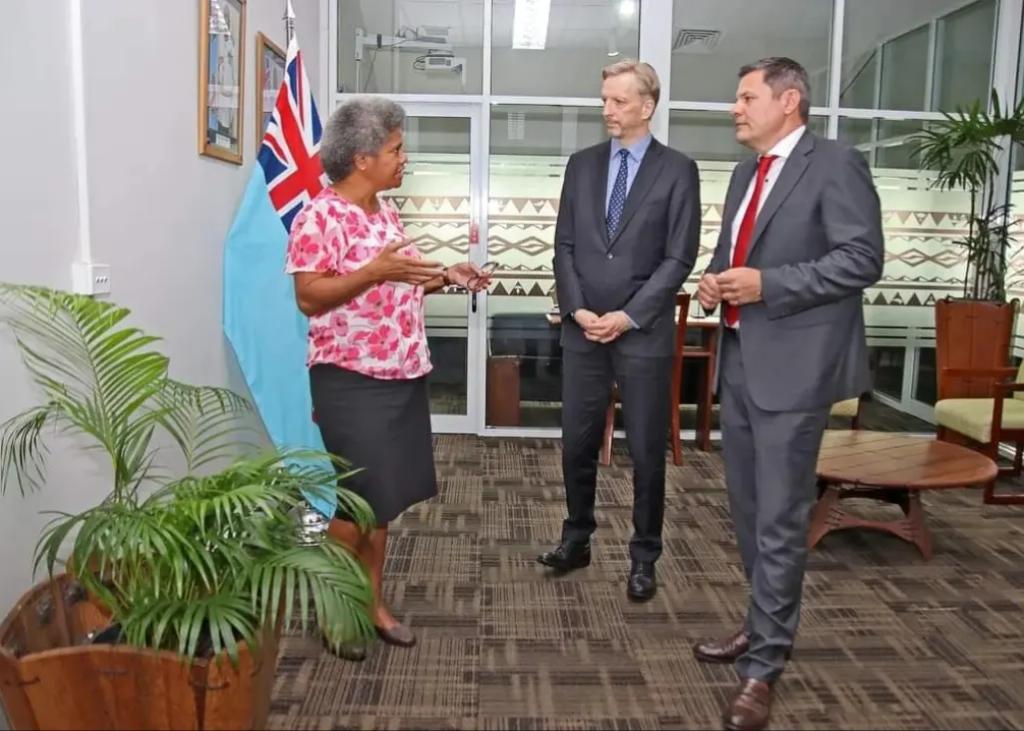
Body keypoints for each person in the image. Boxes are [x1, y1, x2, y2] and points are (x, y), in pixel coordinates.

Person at [694, 58, 883, 731]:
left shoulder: (835, 165)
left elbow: (862, 258)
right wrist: (716, 282)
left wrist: (768, 284)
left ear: (789, 100)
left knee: (779, 519)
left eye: (746, 97)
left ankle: (764, 666)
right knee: (747, 511)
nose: (734, 109)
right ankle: (761, 623)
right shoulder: (747, 174)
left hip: (797, 371)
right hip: (742, 363)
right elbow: (729, 256)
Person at [286, 97, 490, 660]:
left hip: (400, 373)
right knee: (357, 504)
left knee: (383, 504)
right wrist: (374, 270)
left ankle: (371, 604)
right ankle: (334, 609)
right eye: (397, 149)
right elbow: (309, 296)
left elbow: (398, 282)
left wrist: (446, 275)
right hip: (350, 381)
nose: (405, 158)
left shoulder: (382, 211)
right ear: (361, 158)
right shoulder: (319, 216)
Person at [538, 59, 702, 602]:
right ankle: (577, 538)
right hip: (582, 331)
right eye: (604, 99)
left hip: (643, 334)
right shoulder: (581, 165)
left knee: (648, 451)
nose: (607, 109)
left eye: (618, 101)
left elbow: (679, 257)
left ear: (647, 106)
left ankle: (644, 556)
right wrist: (577, 309)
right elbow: (564, 246)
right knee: (576, 445)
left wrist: (629, 314)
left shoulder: (678, 170)